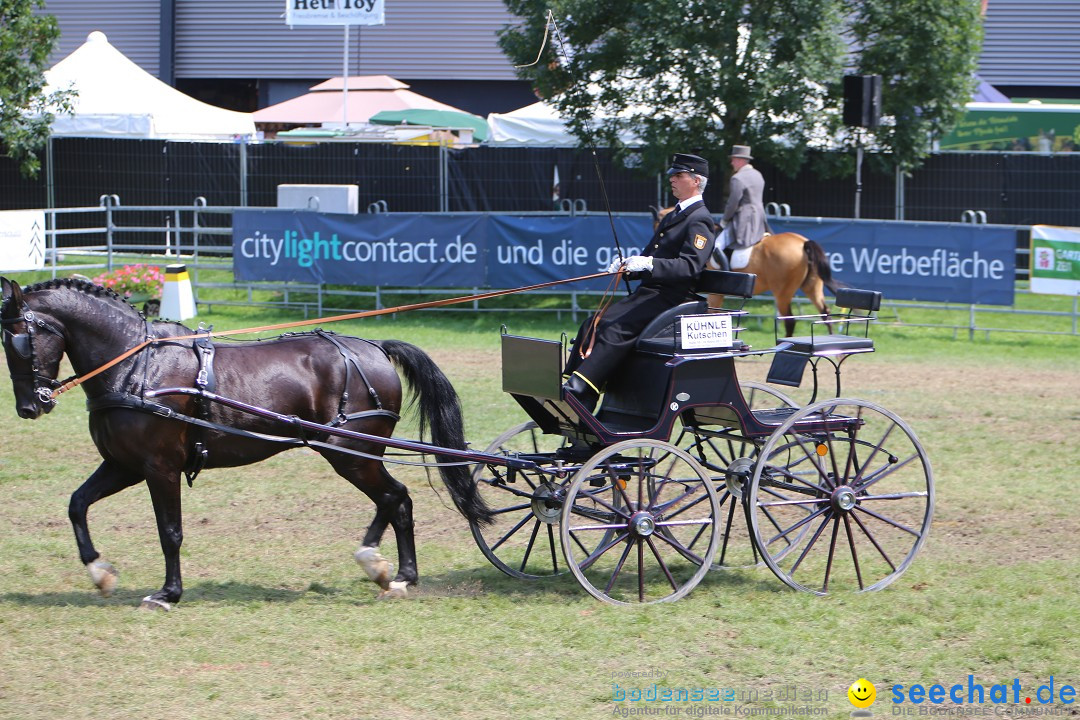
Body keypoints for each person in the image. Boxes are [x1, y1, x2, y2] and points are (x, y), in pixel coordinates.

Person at [561, 153, 715, 412]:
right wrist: (629, 267)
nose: (672, 180)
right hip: (652, 293)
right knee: (593, 323)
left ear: (696, 181)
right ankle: (582, 394)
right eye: (672, 176)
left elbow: (690, 267)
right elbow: (649, 255)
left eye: (679, 176)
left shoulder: (700, 219)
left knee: (615, 328)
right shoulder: (672, 216)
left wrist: (650, 265)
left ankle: (583, 387)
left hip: (674, 298)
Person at [713, 145, 769, 269]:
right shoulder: (758, 175)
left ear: (740, 160)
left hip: (744, 220)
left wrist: (725, 219)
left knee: (716, 245)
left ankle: (726, 276)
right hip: (760, 220)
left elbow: (733, 203)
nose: (732, 163)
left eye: (733, 159)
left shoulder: (737, 178)